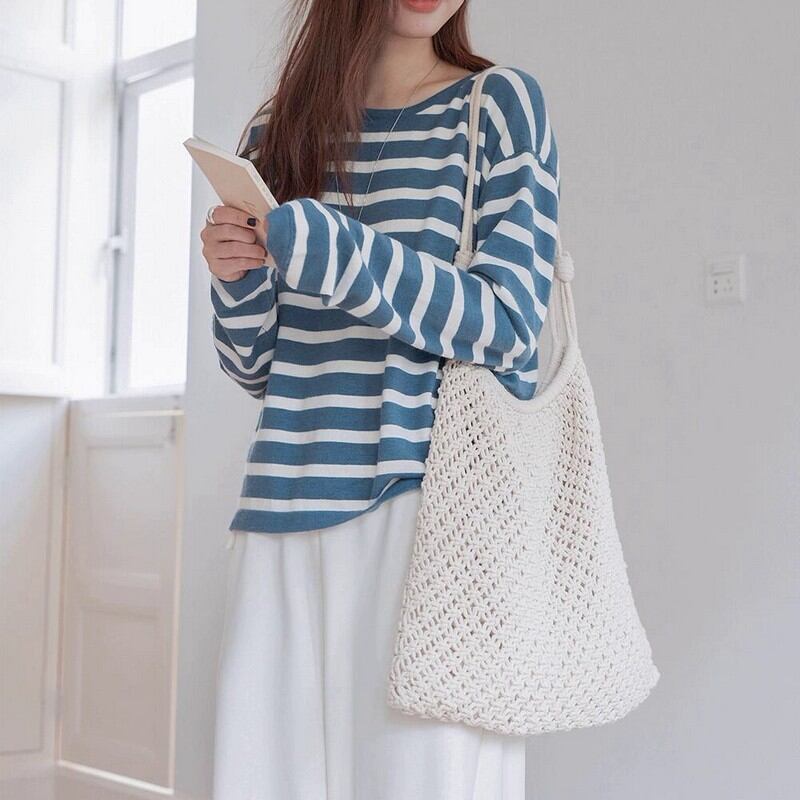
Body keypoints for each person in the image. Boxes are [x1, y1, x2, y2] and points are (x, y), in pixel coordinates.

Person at [200, 0, 560, 797]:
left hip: (430, 512)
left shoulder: (495, 106)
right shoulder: (276, 132)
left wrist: (334, 250)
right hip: (282, 511)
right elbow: (256, 365)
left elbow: (508, 323)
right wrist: (236, 278)